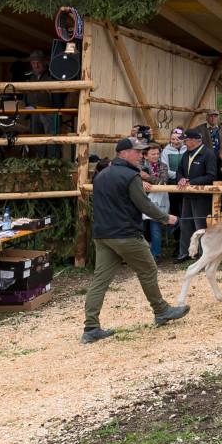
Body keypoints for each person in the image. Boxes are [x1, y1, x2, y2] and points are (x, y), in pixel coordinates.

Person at [83, 138, 187, 343]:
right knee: (148, 270)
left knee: (100, 281)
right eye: (136, 152)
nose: (141, 155)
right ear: (124, 154)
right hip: (125, 235)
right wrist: (168, 218)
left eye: (142, 152)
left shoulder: (101, 175)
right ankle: (161, 310)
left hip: (102, 236)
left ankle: (91, 328)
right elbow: (145, 206)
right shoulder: (131, 176)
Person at [173, 129, 219, 257]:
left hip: (201, 196)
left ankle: (203, 254)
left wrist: (191, 182)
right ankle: (184, 253)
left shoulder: (208, 154)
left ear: (193, 141)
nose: (184, 143)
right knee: (185, 224)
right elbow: (180, 170)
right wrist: (181, 179)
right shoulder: (186, 154)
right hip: (187, 195)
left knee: (200, 226)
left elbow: (211, 176)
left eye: (186, 140)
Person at [139, 142, 172, 257]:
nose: (156, 156)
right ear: (145, 155)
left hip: (158, 200)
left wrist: (148, 178)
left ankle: (155, 255)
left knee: (155, 228)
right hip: (141, 199)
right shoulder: (138, 165)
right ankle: (140, 255)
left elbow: (163, 181)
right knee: (139, 228)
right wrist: (141, 181)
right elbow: (134, 179)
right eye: (153, 154)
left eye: (158, 154)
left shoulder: (162, 166)